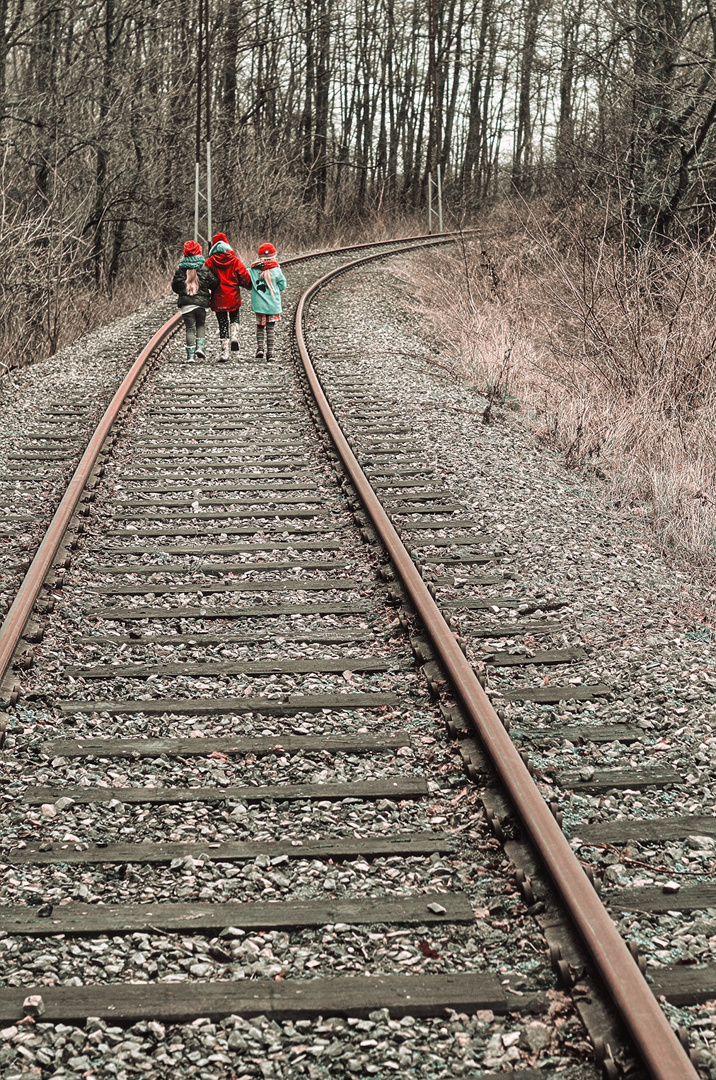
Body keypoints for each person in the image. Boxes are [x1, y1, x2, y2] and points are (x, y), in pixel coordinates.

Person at [204, 232, 251, 362]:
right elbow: (244, 276)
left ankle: (225, 351)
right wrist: (249, 285)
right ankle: (235, 336)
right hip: (233, 296)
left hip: (218, 298)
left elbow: (205, 278)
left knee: (222, 323)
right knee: (235, 317)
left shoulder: (210, 262)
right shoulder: (234, 261)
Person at [171, 240, 218, 362]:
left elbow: (175, 287)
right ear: (199, 252)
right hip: (201, 305)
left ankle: (190, 356)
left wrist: (183, 292)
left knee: (190, 329)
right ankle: (200, 348)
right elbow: (214, 283)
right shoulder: (204, 269)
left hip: (186, 306)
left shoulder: (181, 270)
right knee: (201, 325)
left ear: (185, 254)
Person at [248, 243, 287, 360]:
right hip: (273, 305)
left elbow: (247, 281)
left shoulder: (253, 270)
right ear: (274, 256)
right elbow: (283, 286)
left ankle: (260, 348)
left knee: (260, 326)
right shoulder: (276, 270)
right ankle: (270, 354)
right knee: (270, 329)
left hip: (259, 305)